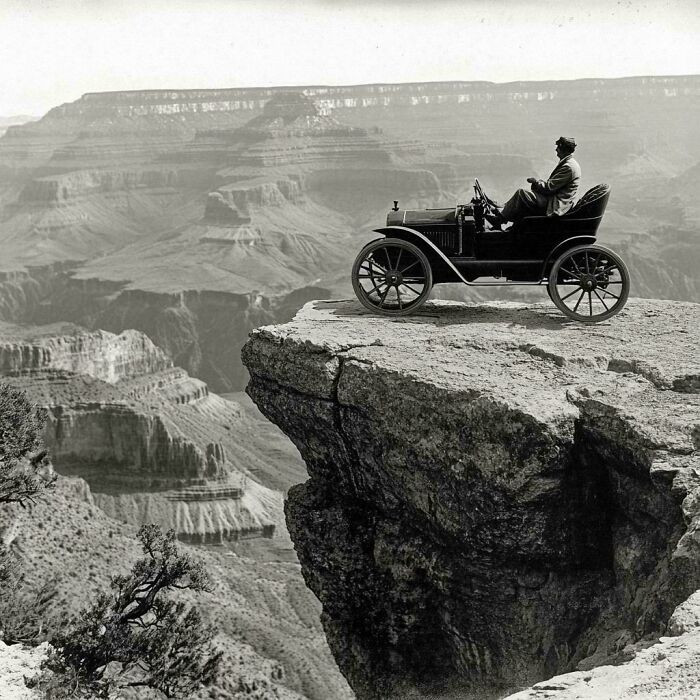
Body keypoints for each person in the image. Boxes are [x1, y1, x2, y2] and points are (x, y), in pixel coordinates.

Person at [485, 137, 581, 229]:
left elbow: (549, 188)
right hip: (554, 198)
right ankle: (504, 213)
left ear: (563, 149)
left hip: (555, 203)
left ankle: (499, 219)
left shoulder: (568, 166)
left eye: (558, 147)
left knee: (522, 194)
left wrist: (535, 182)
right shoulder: (569, 163)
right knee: (524, 197)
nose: (556, 149)